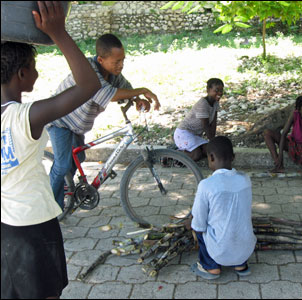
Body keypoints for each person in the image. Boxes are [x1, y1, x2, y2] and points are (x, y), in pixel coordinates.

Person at [1, 2, 101, 299]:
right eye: (34, 67)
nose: (38, 73)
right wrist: (58, 32)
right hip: (34, 228)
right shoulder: (24, 117)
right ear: (21, 74)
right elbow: (88, 84)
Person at [47, 33, 161, 210]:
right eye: (116, 62)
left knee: (78, 157)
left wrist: (137, 99)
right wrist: (143, 90)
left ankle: (64, 195)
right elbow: (112, 94)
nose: (121, 65)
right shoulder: (88, 71)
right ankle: (48, 208)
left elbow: (125, 89)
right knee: (62, 165)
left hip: (76, 126)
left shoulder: (112, 73)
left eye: (123, 60)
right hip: (60, 121)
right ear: (100, 59)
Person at [188, 136, 256, 280]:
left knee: (198, 228)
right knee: (238, 223)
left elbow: (199, 223)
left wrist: (191, 224)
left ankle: (211, 267)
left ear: (211, 157)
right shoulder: (245, 179)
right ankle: (240, 265)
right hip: (245, 249)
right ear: (233, 157)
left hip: (219, 250)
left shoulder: (206, 185)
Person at [174, 78, 223, 161]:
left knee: (208, 151)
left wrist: (213, 142)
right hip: (184, 133)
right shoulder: (203, 104)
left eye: (221, 90)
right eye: (216, 90)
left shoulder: (215, 103)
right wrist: (213, 143)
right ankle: (172, 155)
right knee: (196, 155)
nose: (220, 93)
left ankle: (181, 157)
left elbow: (213, 124)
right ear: (208, 90)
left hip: (194, 135)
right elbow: (206, 126)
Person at [264, 95, 302, 173]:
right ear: (299, 109)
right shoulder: (295, 114)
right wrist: (280, 156)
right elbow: (284, 134)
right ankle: (278, 165)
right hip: (293, 145)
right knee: (267, 133)